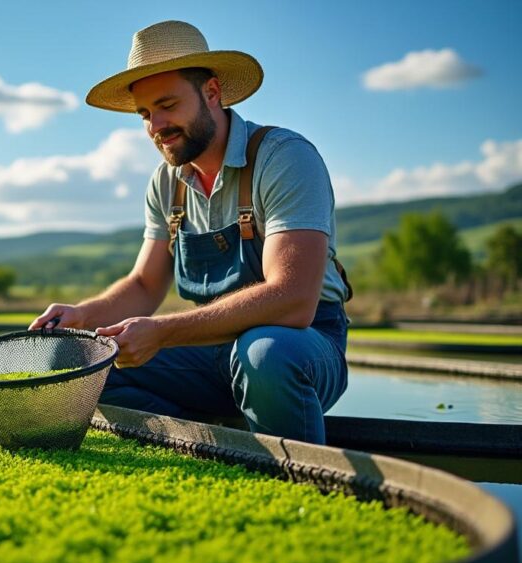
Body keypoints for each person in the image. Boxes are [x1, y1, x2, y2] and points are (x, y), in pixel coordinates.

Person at [29, 20, 352, 445]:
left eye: (167, 105)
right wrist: (83, 316)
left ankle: (301, 483)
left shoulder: (284, 158)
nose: (155, 125)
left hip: (300, 346)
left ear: (212, 93)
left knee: (265, 352)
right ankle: (205, 449)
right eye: (145, 114)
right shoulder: (166, 183)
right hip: (206, 346)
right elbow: (145, 284)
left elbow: (293, 300)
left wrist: (162, 332)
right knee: (74, 361)